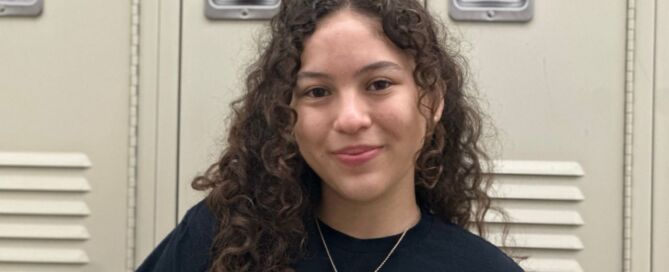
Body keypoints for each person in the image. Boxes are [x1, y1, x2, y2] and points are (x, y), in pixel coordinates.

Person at [137, 0, 523, 271]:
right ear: (286, 115)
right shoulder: (222, 241)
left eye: (379, 84)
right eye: (317, 92)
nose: (351, 119)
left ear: (433, 100)